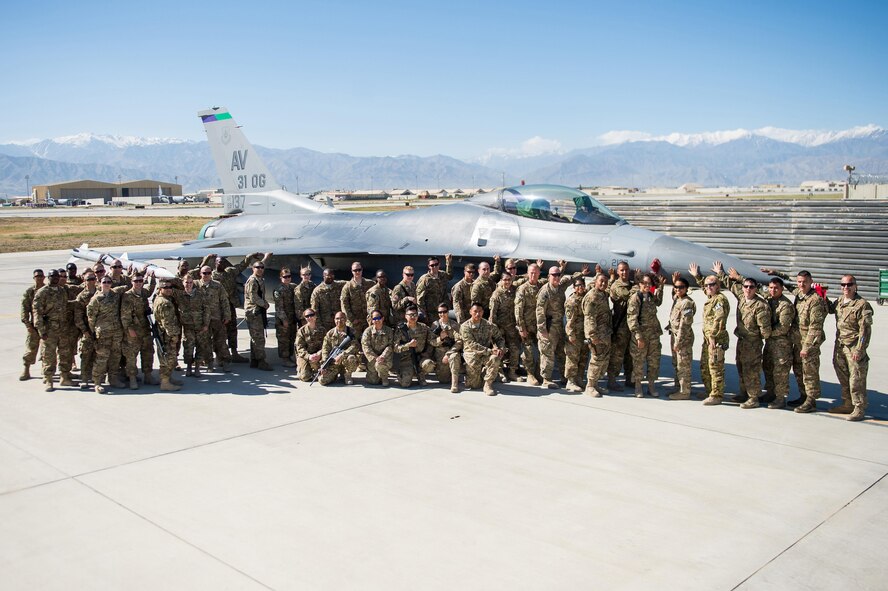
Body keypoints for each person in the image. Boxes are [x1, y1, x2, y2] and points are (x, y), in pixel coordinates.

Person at [827, 275, 873, 421]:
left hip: (854, 347)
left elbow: (865, 331)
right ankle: (848, 403)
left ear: (855, 286)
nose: (846, 287)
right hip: (840, 345)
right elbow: (829, 309)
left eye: (849, 284)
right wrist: (822, 296)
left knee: (856, 378)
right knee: (843, 375)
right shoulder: (840, 301)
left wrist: (860, 349)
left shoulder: (862, 304)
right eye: (843, 285)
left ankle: (859, 408)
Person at [536, 262, 588, 389]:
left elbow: (571, 279)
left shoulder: (560, 286)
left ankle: (565, 377)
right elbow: (539, 311)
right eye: (554, 275)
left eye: (558, 275)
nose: (557, 277)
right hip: (549, 326)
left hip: (559, 326)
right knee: (548, 352)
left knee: (561, 352)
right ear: (549, 276)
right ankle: (546, 379)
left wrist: (581, 273)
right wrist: (542, 330)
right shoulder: (545, 292)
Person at [213, 252, 267, 362]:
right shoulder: (211, 275)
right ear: (215, 263)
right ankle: (219, 356)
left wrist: (251, 256)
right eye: (219, 262)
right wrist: (206, 259)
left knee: (233, 329)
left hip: (230, 305)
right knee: (219, 332)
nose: (221, 263)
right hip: (218, 307)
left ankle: (234, 353)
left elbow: (243, 265)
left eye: (223, 262)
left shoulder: (230, 272)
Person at [791, 271, 828, 413]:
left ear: (811, 281)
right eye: (799, 282)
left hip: (809, 343)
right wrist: (775, 272)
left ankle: (811, 401)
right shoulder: (800, 295)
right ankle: (803, 395)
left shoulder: (815, 300)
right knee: (799, 370)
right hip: (798, 341)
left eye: (804, 282)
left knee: (810, 372)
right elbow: (787, 283)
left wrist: (807, 347)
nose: (801, 284)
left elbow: (815, 327)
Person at [732, 278, 771, 409]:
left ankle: (754, 398)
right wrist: (721, 273)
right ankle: (744, 393)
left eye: (751, 287)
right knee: (741, 367)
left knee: (752, 371)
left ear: (756, 288)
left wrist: (754, 338)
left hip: (753, 343)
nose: (748, 289)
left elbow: (765, 331)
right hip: (742, 340)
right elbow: (730, 285)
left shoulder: (760, 306)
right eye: (746, 286)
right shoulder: (742, 299)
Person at [626, 273, 665, 398]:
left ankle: (651, 385)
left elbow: (658, 302)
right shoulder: (635, 298)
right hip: (641, 336)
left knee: (654, 361)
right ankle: (638, 386)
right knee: (638, 362)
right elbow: (631, 319)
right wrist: (638, 336)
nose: (647, 286)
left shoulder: (651, 296)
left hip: (653, 335)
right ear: (640, 284)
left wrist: (661, 287)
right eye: (645, 283)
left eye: (649, 284)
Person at [87, 276, 125, 394]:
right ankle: (97, 382)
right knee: (102, 357)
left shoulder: (115, 295)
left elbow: (126, 286)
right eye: (104, 282)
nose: (107, 284)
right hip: (103, 333)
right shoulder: (96, 299)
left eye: (109, 282)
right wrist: (93, 332)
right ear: (100, 284)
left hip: (116, 331)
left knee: (115, 356)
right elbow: (91, 318)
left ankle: (113, 378)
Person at [33, 269, 69, 391]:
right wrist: (41, 331)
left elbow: (65, 307)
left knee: (64, 353)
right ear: (48, 277)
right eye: (52, 276)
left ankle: (64, 377)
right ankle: (49, 379)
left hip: (62, 328)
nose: (55, 278)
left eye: (57, 276)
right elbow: (37, 312)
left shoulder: (62, 291)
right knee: (49, 355)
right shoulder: (42, 292)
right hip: (49, 329)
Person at [762, 278, 795, 409]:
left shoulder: (785, 305)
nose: (773, 290)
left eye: (776, 288)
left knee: (780, 372)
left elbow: (783, 327)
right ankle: (770, 393)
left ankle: (780, 398)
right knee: (768, 367)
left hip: (782, 345)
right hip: (770, 343)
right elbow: (757, 288)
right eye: (770, 288)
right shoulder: (770, 299)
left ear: (781, 289)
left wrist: (766, 333)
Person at [459, 302, 505, 396]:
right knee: (474, 385)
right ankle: (480, 374)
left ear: (483, 312)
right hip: (472, 355)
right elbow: (472, 344)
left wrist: (500, 348)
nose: (477, 314)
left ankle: (488, 384)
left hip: (486, 354)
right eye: (475, 311)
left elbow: (499, 338)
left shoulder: (489, 325)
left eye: (480, 311)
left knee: (495, 358)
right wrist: (490, 350)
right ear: (470, 312)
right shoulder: (465, 326)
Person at [120, 273, 156, 389]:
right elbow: (125, 316)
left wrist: (153, 278)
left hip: (145, 329)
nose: (138, 283)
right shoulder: (127, 296)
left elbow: (150, 290)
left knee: (148, 353)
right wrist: (130, 329)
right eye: (136, 281)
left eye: (140, 281)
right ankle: (132, 378)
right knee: (131, 356)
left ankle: (148, 375)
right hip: (133, 331)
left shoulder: (143, 293)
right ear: (132, 282)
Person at [700, 275, 730, 405]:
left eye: (711, 285)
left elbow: (720, 319)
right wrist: (697, 276)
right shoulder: (711, 298)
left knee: (715, 367)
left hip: (716, 339)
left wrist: (712, 335)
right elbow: (705, 287)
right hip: (708, 339)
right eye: (706, 285)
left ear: (718, 286)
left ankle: (717, 395)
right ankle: (710, 390)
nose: (708, 287)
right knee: (705, 366)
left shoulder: (719, 300)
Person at [607, 261, 636, 391]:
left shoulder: (631, 285)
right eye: (622, 270)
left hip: (632, 325)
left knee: (631, 354)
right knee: (617, 354)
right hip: (621, 326)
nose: (624, 272)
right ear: (618, 272)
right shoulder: (616, 286)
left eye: (626, 270)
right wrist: (638, 284)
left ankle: (629, 378)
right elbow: (626, 296)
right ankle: (612, 380)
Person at [582, 273, 612, 396]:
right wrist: (592, 335)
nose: (603, 284)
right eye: (601, 281)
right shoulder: (592, 296)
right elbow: (589, 317)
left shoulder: (603, 294)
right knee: (596, 359)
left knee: (602, 360)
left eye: (605, 282)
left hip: (604, 334)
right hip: (596, 335)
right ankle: (589, 386)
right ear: (595, 281)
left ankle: (596, 384)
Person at [199, 265, 233, 371]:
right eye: (204, 273)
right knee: (205, 342)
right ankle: (209, 362)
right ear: (200, 274)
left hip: (217, 318)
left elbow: (224, 301)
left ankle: (224, 361)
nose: (207, 275)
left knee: (221, 341)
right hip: (203, 320)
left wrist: (227, 315)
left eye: (209, 273)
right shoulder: (196, 285)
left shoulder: (217, 285)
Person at [667, 277, 696, 400]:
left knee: (683, 364)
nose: (678, 289)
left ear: (686, 289)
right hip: (675, 335)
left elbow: (685, 325)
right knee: (676, 363)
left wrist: (678, 342)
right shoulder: (678, 299)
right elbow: (674, 295)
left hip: (683, 338)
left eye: (681, 287)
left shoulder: (687, 303)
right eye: (676, 287)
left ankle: (684, 392)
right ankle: (678, 385)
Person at [489, 272, 521, 382]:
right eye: (505, 280)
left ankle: (512, 372)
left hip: (511, 327)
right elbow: (492, 315)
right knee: (500, 350)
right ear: (501, 281)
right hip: (500, 328)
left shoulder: (514, 291)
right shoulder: (496, 295)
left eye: (509, 279)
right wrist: (494, 332)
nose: (507, 282)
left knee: (515, 349)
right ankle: (500, 372)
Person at [514, 263, 543, 385]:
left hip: (539, 326)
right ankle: (530, 374)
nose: (533, 275)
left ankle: (538, 373)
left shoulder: (541, 287)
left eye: (535, 273)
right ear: (527, 273)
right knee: (528, 352)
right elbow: (518, 310)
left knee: (544, 350)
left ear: (539, 274)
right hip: (527, 327)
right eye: (531, 273)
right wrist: (521, 328)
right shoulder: (523, 289)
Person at [340, 262, 375, 358]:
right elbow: (344, 305)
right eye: (355, 270)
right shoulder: (347, 287)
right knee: (355, 342)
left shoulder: (369, 283)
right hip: (355, 320)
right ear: (352, 271)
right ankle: (359, 363)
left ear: (362, 270)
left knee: (369, 340)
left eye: (359, 270)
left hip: (368, 319)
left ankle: (370, 361)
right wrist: (351, 319)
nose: (357, 272)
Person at [152, 281, 182, 391]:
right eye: (165, 287)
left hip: (163, 334)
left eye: (170, 287)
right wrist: (174, 335)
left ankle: (168, 378)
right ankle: (165, 382)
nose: (169, 289)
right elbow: (167, 322)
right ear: (160, 289)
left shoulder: (159, 299)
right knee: (168, 359)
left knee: (168, 358)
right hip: (167, 336)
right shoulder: (165, 303)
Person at [395, 306, 436, 387]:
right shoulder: (401, 329)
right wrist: (408, 345)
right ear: (405, 316)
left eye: (415, 315)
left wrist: (441, 339)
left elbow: (432, 341)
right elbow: (395, 348)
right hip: (407, 359)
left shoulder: (424, 327)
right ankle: (403, 373)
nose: (413, 317)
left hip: (420, 357)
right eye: (410, 315)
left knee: (429, 364)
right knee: (405, 384)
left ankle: (421, 374)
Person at [244, 259, 272, 370]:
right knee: (259, 337)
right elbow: (253, 297)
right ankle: (261, 361)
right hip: (254, 312)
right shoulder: (252, 281)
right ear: (253, 269)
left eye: (262, 267)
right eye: (257, 267)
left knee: (255, 337)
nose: (260, 269)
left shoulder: (259, 280)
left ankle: (254, 360)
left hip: (257, 311)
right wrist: (264, 304)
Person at [180, 274, 210, 378]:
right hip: (187, 326)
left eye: (190, 282)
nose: (188, 284)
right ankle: (189, 366)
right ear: (183, 283)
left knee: (201, 347)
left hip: (200, 326)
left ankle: (197, 367)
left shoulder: (200, 294)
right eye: (186, 282)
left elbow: (206, 310)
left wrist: (206, 324)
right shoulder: (180, 295)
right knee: (188, 347)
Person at [429, 303, 462, 393]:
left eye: (444, 312)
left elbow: (459, 342)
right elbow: (431, 342)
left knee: (454, 357)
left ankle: (454, 384)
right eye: (440, 312)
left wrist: (448, 354)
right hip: (439, 353)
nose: (442, 314)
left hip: (452, 351)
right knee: (443, 380)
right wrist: (441, 338)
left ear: (448, 312)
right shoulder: (435, 325)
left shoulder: (454, 325)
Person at [563, 277, 589, 392]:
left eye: (582, 285)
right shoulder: (572, 301)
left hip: (584, 333)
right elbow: (569, 321)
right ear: (574, 288)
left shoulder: (585, 298)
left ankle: (579, 378)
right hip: (575, 334)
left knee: (583, 357)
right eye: (578, 285)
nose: (580, 287)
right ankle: (571, 381)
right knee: (572, 357)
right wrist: (571, 334)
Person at [319, 312, 359, 386]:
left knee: (351, 357)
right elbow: (325, 349)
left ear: (346, 319)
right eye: (337, 318)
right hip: (334, 362)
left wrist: (342, 355)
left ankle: (347, 375)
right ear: (334, 320)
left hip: (346, 360)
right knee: (322, 381)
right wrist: (324, 364)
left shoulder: (351, 331)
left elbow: (355, 346)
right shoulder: (330, 333)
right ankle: (335, 375)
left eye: (342, 318)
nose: (339, 320)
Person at [74, 271, 98, 390]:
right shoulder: (81, 296)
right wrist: (85, 331)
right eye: (88, 279)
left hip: (99, 330)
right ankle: (84, 378)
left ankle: (95, 378)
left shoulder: (100, 293)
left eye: (93, 279)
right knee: (86, 355)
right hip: (87, 331)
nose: (91, 281)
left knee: (97, 355)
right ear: (84, 281)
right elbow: (78, 317)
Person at [20, 269, 45, 381]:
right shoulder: (29, 292)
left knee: (47, 350)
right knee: (31, 348)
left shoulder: (47, 290)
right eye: (37, 276)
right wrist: (27, 325)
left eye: (40, 276)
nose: (39, 278)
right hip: (34, 326)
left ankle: (45, 370)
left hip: (46, 325)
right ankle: (26, 370)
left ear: (44, 277)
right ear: (34, 278)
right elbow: (24, 309)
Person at [274, 267, 299, 367]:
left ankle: (290, 356)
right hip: (283, 319)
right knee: (284, 339)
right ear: (281, 277)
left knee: (292, 337)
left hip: (292, 318)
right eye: (285, 277)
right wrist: (284, 320)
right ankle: (285, 359)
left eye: (289, 276)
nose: (287, 278)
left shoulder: (293, 287)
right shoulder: (278, 290)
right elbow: (279, 307)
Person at [416, 254, 453, 324]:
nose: (435, 267)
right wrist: (424, 314)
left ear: (439, 264)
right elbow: (420, 298)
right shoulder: (425, 279)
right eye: (432, 265)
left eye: (436, 264)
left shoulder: (442, 275)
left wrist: (449, 262)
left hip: (443, 311)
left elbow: (450, 276)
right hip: (431, 313)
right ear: (429, 266)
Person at [362, 310, 394, 386]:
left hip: (385, 359)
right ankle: (375, 374)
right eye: (374, 318)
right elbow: (366, 347)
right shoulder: (368, 331)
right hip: (373, 359)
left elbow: (390, 345)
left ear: (382, 319)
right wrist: (376, 357)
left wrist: (382, 356)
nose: (377, 320)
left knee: (380, 365)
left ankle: (384, 377)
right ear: (372, 320)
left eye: (379, 318)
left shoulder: (389, 331)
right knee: (373, 381)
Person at [310, 268, 345, 333]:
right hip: (325, 323)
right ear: (323, 276)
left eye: (332, 276)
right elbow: (315, 309)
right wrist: (319, 324)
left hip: (338, 321)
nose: (330, 278)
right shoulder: (318, 291)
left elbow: (351, 283)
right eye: (328, 276)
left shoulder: (339, 285)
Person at [295, 308, 326, 382]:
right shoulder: (301, 331)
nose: (309, 318)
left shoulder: (322, 330)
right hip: (306, 356)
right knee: (305, 377)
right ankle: (303, 369)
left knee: (323, 375)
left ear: (315, 316)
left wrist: (319, 354)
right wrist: (309, 356)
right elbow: (299, 348)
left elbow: (326, 345)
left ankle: (315, 371)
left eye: (311, 315)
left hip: (319, 356)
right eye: (307, 316)